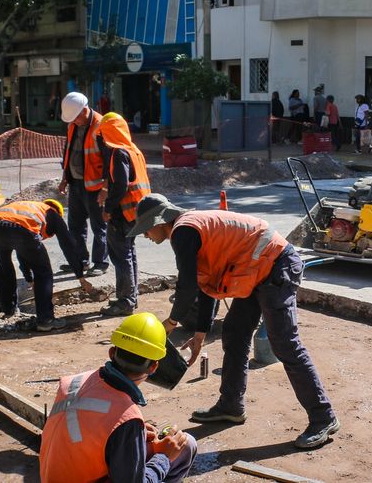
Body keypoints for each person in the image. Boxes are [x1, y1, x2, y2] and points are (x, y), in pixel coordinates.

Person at [128, 194, 340, 450]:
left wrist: (171, 322)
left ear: (160, 221)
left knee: (285, 343)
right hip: (257, 269)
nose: (145, 236)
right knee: (234, 332)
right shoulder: (188, 230)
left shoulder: (184, 231)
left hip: (275, 265)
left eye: (146, 230)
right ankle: (231, 405)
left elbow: (187, 287)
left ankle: (323, 417)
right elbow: (204, 286)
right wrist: (200, 333)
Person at [39, 312, 196, 483]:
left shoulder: (72, 382)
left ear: (112, 352)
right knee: (185, 447)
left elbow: (87, 425)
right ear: (153, 367)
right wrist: (164, 458)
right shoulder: (126, 418)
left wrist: (134, 432)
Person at [0, 199, 90, 330]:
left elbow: (22, 251)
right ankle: (46, 320)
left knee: (4, 267)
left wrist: (29, 279)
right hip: (20, 229)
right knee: (44, 272)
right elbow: (68, 245)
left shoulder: (28, 207)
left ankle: (9, 311)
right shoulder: (52, 213)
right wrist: (80, 276)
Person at [97, 112, 151, 317]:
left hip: (124, 212)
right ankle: (130, 296)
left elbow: (120, 185)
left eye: (102, 134)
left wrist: (108, 209)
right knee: (129, 254)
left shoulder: (118, 152)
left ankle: (126, 301)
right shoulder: (133, 150)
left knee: (121, 256)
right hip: (138, 211)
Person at [58, 92, 109, 277]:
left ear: (85, 110)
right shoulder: (72, 125)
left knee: (99, 226)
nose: (75, 122)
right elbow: (68, 152)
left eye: (77, 118)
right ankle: (80, 260)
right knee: (76, 226)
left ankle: (101, 263)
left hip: (95, 186)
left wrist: (105, 187)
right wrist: (65, 177)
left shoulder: (101, 126)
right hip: (76, 183)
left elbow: (110, 159)